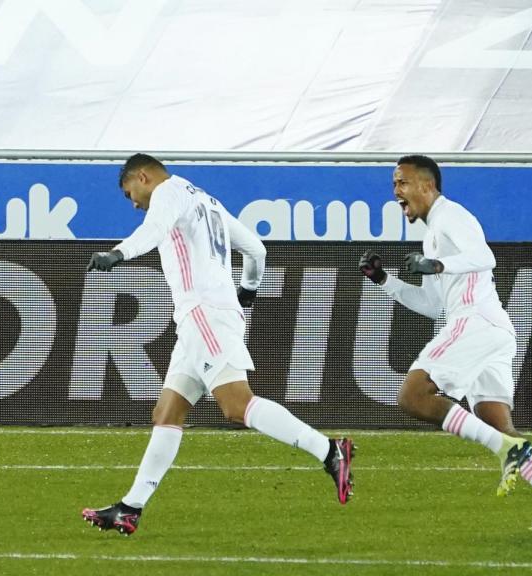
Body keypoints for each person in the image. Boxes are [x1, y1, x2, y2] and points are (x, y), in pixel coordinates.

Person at [81, 154, 354, 535]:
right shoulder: (206, 200)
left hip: (203, 313)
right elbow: (256, 249)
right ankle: (130, 508)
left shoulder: (167, 192)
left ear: (142, 177)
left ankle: (328, 450)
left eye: (130, 194)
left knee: (236, 405)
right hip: (202, 318)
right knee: (167, 412)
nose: (134, 204)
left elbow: (154, 229)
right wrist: (248, 292)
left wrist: (117, 253)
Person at [359, 154, 532, 529]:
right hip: (492, 329)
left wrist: (438, 265)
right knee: (500, 427)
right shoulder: (432, 234)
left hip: (475, 322)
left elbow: (485, 256)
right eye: (394, 184)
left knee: (412, 397)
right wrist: (384, 281)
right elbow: (432, 305)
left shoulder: (452, 215)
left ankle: (506, 449)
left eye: (402, 182)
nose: (396, 191)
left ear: (427, 185)